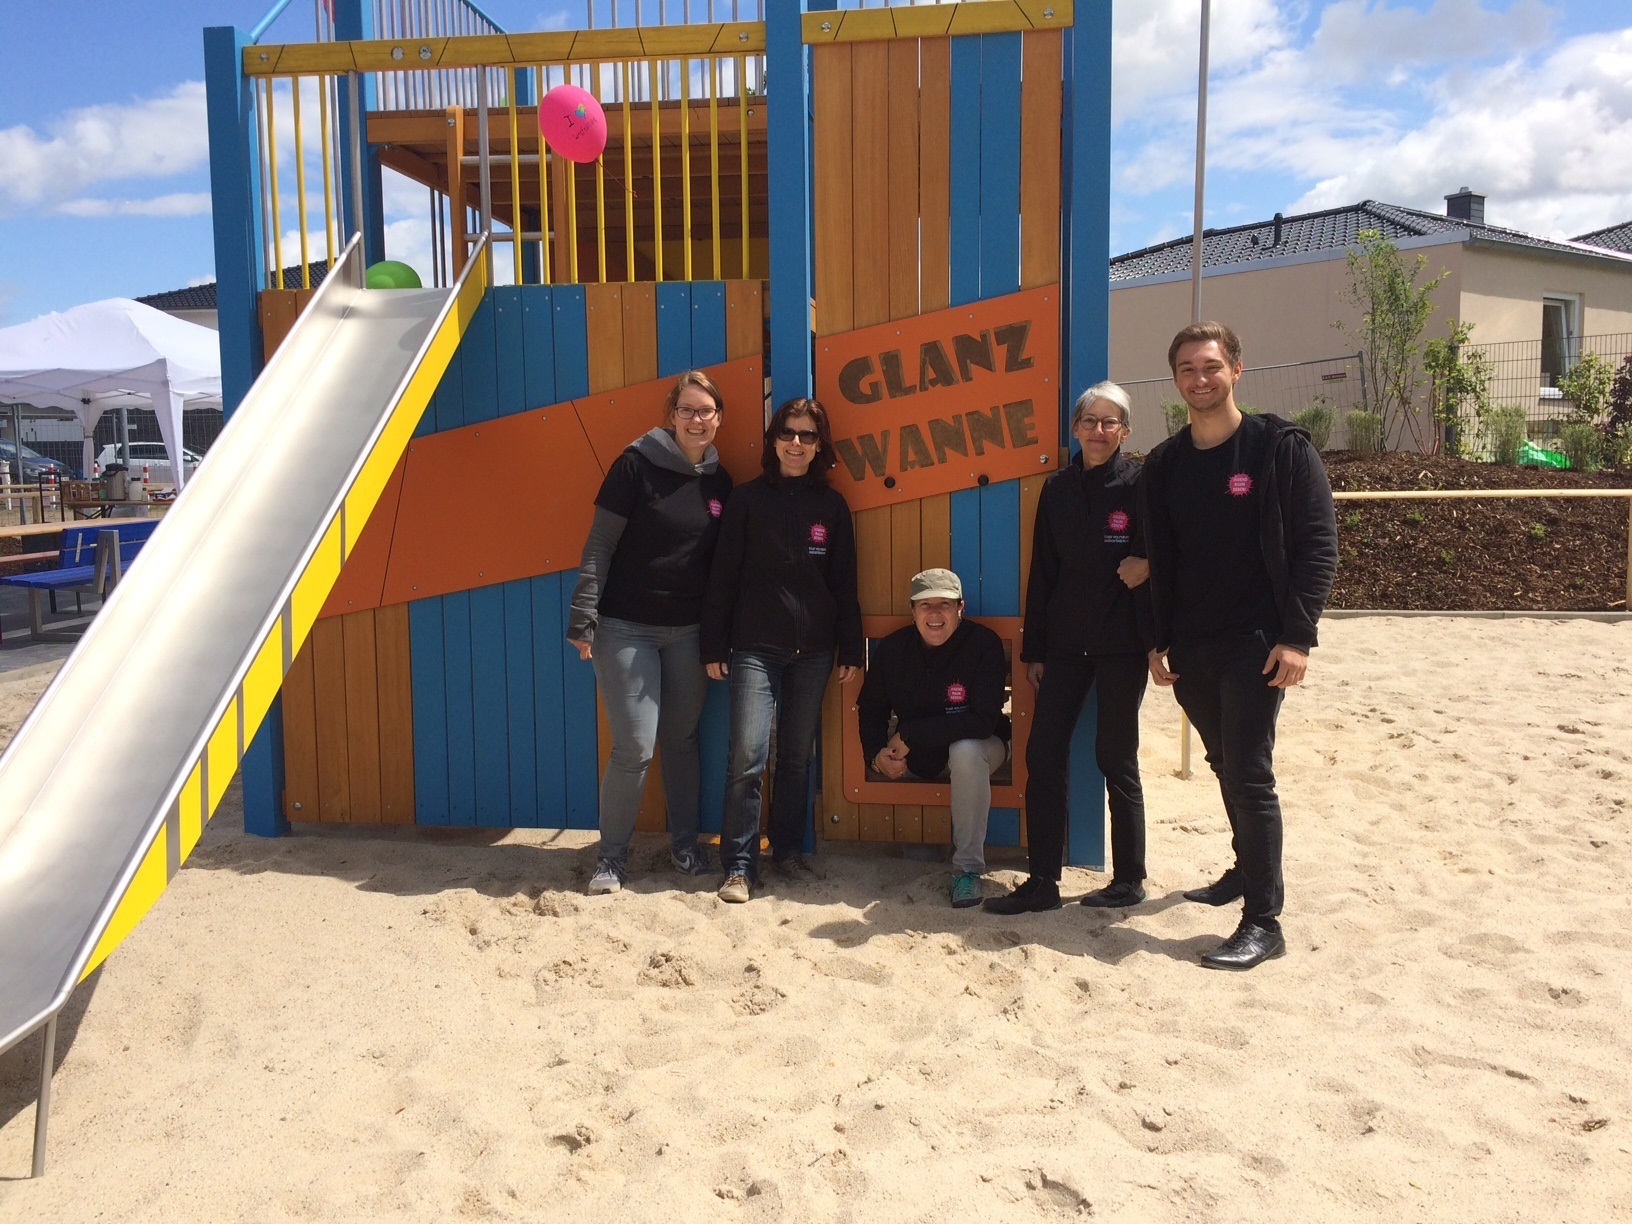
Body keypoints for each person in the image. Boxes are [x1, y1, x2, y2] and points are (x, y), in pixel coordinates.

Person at [1141, 321, 1337, 970]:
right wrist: (1156, 639)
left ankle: (1264, 920)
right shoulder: (1166, 463)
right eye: (1188, 370)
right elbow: (1160, 558)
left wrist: (1298, 637)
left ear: (1236, 370)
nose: (1200, 379)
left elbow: (1316, 547)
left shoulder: (1279, 449)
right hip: (1191, 647)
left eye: (1211, 366)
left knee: (1250, 774)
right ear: (1175, 381)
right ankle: (1242, 869)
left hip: (1256, 645)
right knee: (1225, 761)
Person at [985, 381, 1153, 916]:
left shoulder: (1141, 486)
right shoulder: (1057, 489)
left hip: (1123, 646)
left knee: (1115, 757)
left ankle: (1129, 878)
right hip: (1063, 646)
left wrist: (1148, 571)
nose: (1098, 431)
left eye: (1110, 423)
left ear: (1124, 432)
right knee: (1042, 754)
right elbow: (1044, 573)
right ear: (1075, 428)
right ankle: (1042, 882)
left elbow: (1175, 552)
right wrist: (1034, 649)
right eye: (1089, 421)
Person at [566, 371, 734, 895]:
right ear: (672, 415)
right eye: (687, 410)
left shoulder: (720, 483)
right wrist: (583, 615)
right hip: (625, 627)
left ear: (719, 418)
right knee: (635, 746)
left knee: (682, 740)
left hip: (689, 633)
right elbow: (599, 545)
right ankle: (611, 859)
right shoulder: (634, 465)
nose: (697, 419)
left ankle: (685, 847)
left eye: (706, 410)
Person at [702, 398, 863, 903]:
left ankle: (788, 851)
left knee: (795, 757)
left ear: (820, 446)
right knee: (748, 756)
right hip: (755, 648)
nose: (797, 443)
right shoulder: (748, 500)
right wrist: (714, 642)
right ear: (774, 440)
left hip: (814, 651)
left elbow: (844, 582)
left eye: (808, 436)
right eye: (789, 434)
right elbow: (723, 577)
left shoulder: (832, 508)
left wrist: (851, 649)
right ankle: (740, 866)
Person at [857, 569, 1011, 908]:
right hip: (922, 759)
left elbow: (983, 721)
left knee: (966, 750)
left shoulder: (983, 644)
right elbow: (871, 707)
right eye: (926, 605)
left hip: (984, 747)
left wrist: (912, 733)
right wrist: (875, 754)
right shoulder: (894, 649)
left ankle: (968, 870)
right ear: (912, 611)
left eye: (945, 604)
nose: (935, 613)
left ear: (961, 608)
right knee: (920, 852)